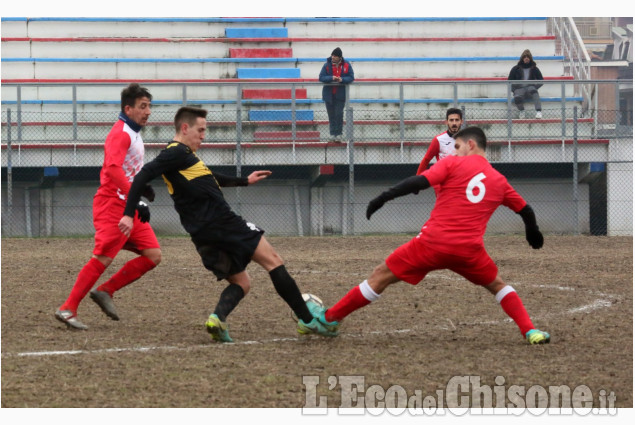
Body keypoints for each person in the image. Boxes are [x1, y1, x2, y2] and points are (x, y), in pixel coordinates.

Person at [310, 126, 551, 345]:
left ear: (471, 145)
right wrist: (533, 231)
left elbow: (418, 181)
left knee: (381, 275)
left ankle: (330, 319)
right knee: (498, 285)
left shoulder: (452, 164)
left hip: (432, 244)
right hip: (469, 251)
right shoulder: (500, 181)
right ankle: (530, 331)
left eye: (457, 147)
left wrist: (384, 197)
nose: (454, 152)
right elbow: (525, 209)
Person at [118, 106, 335, 342]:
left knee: (241, 282)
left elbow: (210, 176)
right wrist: (128, 213)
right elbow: (142, 176)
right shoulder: (176, 153)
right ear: (184, 128)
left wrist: (245, 181)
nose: (203, 135)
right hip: (222, 222)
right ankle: (308, 321)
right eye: (200, 130)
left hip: (202, 234)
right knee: (273, 261)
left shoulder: (184, 159)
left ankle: (217, 319)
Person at [55, 83, 161, 330]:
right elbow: (112, 170)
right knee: (101, 259)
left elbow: (124, 168)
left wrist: (141, 187)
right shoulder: (121, 133)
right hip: (113, 205)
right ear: (128, 108)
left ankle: (105, 290)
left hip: (127, 205)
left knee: (153, 255)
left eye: (149, 106)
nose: (148, 112)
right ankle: (68, 308)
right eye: (143, 106)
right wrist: (138, 198)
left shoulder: (133, 132)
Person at [319, 47, 355, 142]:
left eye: (335, 56)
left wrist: (342, 80)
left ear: (339, 57)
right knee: (331, 115)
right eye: (332, 55)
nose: (333, 57)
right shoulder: (327, 65)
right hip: (329, 95)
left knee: (339, 114)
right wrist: (332, 78)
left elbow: (351, 77)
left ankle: (338, 134)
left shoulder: (347, 65)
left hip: (340, 95)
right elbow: (321, 77)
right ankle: (333, 135)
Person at [415, 107, 464, 175]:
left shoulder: (467, 139)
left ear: (461, 121)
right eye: (451, 120)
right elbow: (426, 160)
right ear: (447, 122)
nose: (454, 123)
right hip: (443, 179)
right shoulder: (438, 140)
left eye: (457, 120)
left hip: (461, 178)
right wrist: (417, 180)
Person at [508, 49, 544, 119]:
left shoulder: (534, 68)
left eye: (528, 57)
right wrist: (514, 90)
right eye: (525, 57)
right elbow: (509, 81)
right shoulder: (515, 69)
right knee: (517, 97)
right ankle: (522, 111)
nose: (526, 58)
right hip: (519, 89)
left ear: (530, 59)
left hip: (530, 88)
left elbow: (541, 80)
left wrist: (535, 87)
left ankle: (538, 112)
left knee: (534, 92)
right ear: (522, 58)